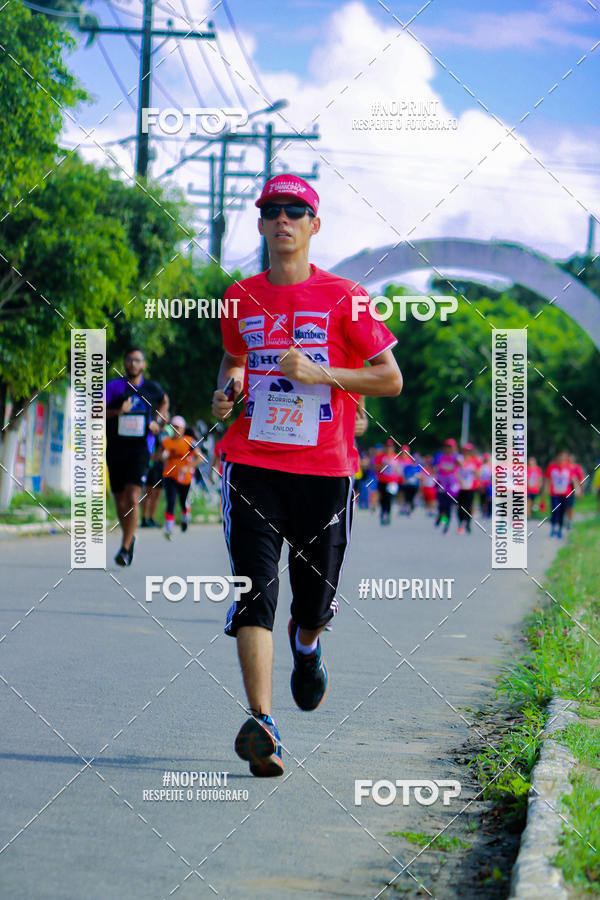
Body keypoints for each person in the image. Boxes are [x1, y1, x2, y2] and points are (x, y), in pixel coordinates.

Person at [211, 174, 402, 777]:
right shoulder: (239, 296)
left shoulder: (348, 297)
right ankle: (262, 722)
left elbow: (389, 378)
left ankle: (309, 643)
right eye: (272, 211)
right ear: (262, 223)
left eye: (296, 211)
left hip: (325, 470)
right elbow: (234, 358)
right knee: (254, 591)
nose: (283, 220)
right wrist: (228, 390)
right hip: (251, 465)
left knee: (312, 602)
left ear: (314, 226)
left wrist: (324, 376)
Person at [105, 348, 168, 565]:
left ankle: (124, 547)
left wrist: (158, 422)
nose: (133, 363)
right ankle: (129, 538)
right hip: (115, 448)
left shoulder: (152, 388)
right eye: (130, 359)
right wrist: (118, 411)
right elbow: (95, 411)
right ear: (124, 362)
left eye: (137, 360)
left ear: (144, 365)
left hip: (141, 449)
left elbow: (164, 403)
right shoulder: (114, 387)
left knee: (133, 497)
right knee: (121, 501)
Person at [161, 416, 203, 538]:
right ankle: (169, 528)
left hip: (184, 477)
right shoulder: (166, 441)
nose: (176, 430)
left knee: (183, 501)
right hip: (169, 475)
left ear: (183, 428)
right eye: (174, 427)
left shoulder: (189, 441)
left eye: (178, 427)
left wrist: (188, 467)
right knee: (171, 501)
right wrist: (162, 457)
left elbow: (200, 458)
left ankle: (185, 518)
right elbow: (159, 455)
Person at [141, 427, 166, 527]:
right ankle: (144, 518)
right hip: (152, 465)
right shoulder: (153, 431)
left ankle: (152, 518)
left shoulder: (167, 432)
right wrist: (153, 455)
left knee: (157, 494)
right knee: (149, 492)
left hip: (162, 467)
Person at [544, 450, 572, 538]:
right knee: (555, 511)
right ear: (557, 457)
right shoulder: (551, 467)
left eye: (563, 457)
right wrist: (545, 491)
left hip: (565, 493)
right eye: (560, 456)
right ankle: (552, 529)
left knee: (562, 512)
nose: (561, 458)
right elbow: (547, 480)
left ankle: (559, 530)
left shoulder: (568, 467)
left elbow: (573, 479)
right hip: (554, 493)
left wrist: (577, 490)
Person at [434, 438, 460, 533]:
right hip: (441, 483)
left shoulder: (456, 457)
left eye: (450, 447)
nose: (448, 449)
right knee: (442, 505)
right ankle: (441, 516)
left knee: (448, 506)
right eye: (447, 447)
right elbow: (433, 466)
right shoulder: (439, 456)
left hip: (452, 485)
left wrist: (455, 455)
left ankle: (446, 523)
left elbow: (461, 465)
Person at [373, 439, 401, 525]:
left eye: (391, 447)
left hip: (392, 482)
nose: (389, 448)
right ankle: (383, 511)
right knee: (383, 498)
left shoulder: (396, 457)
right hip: (382, 480)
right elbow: (375, 468)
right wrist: (383, 465)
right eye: (387, 447)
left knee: (389, 498)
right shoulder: (380, 457)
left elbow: (399, 470)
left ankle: (387, 514)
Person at [456, 443, 479, 534]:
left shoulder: (475, 461)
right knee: (460, 506)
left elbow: (478, 474)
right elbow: (455, 471)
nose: (467, 452)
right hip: (460, 487)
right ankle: (461, 524)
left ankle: (468, 523)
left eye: (469, 451)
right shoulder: (459, 459)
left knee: (469, 506)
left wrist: (475, 471)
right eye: (465, 450)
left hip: (471, 487)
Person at [565, 453, 585, 529]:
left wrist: (582, 491)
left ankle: (569, 521)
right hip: (564, 490)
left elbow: (581, 479)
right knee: (566, 506)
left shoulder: (577, 467)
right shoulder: (565, 466)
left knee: (571, 506)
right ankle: (566, 519)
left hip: (573, 489)